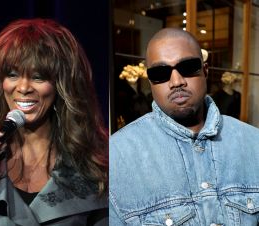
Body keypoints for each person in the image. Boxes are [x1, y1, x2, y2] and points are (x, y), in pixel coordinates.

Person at [0, 18, 108, 226]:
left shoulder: (93, 164)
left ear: (61, 85)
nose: (23, 87)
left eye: (38, 77)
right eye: (12, 74)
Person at [109, 27, 259, 225]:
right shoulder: (117, 155)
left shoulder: (253, 143)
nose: (176, 81)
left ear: (205, 71)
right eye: (161, 73)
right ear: (150, 81)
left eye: (188, 67)